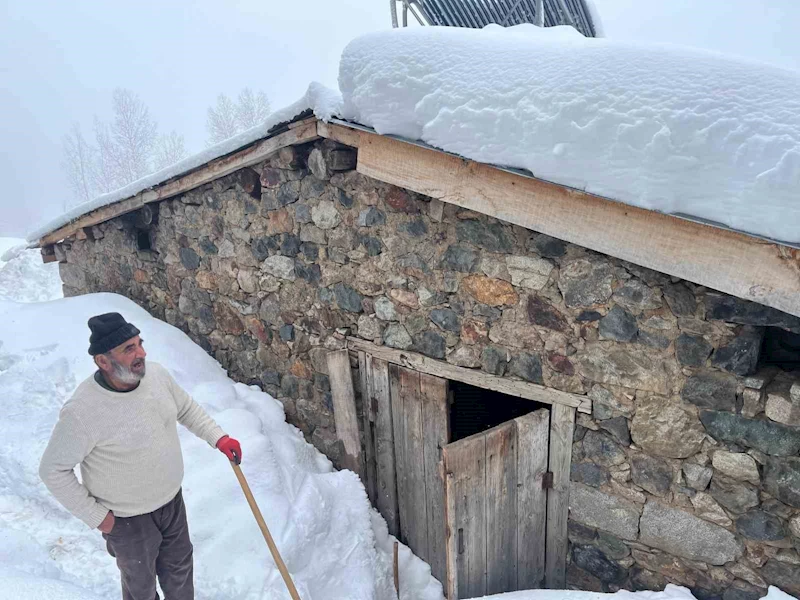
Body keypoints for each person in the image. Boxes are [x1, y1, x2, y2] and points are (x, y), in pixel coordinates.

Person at [39, 312, 242, 600]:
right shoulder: (83, 411)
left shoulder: (157, 376)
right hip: (127, 520)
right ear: (103, 361)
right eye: (129, 349)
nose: (141, 353)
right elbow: (52, 470)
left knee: (180, 573)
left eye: (139, 343)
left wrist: (218, 437)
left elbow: (185, 408)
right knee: (141, 590)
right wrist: (101, 519)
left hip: (172, 504)